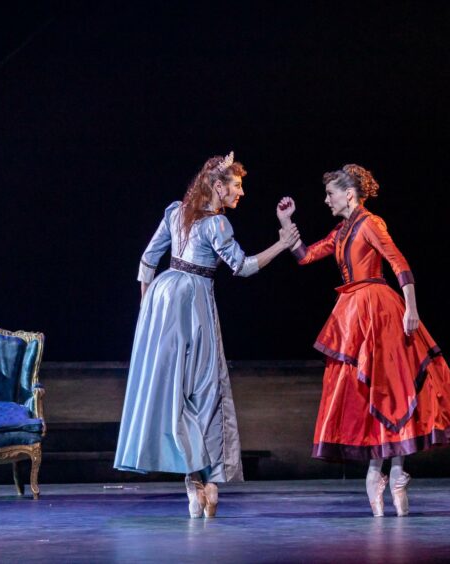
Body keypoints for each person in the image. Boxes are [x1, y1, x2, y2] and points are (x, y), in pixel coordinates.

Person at [277, 164, 450, 517]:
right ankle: (379, 470)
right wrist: (285, 222)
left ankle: (396, 471)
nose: (326, 200)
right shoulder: (342, 230)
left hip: (380, 309)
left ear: (349, 195)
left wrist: (411, 309)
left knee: (393, 387)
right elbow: (306, 256)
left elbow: (399, 263)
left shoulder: (371, 223)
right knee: (364, 391)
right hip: (353, 313)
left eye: (330, 194)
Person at [115, 152, 300, 518]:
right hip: (193, 303)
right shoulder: (217, 225)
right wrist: (282, 244)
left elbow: (148, 261)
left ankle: (195, 481)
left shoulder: (175, 213)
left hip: (164, 300)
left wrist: (147, 310)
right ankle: (207, 479)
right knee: (204, 391)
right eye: (237, 186)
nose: (241, 193)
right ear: (218, 187)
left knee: (175, 392)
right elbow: (243, 268)